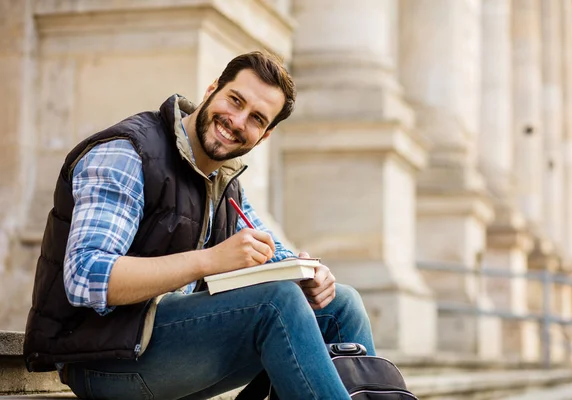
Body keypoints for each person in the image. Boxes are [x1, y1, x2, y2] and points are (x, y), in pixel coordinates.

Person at [23, 51, 375, 400]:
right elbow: (86, 278)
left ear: (264, 136)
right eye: (235, 101)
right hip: (101, 361)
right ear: (211, 91)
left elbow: (269, 253)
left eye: (256, 119)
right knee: (275, 303)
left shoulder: (224, 180)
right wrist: (210, 260)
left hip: (169, 350)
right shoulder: (128, 152)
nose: (237, 121)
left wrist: (306, 274)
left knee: (340, 304)